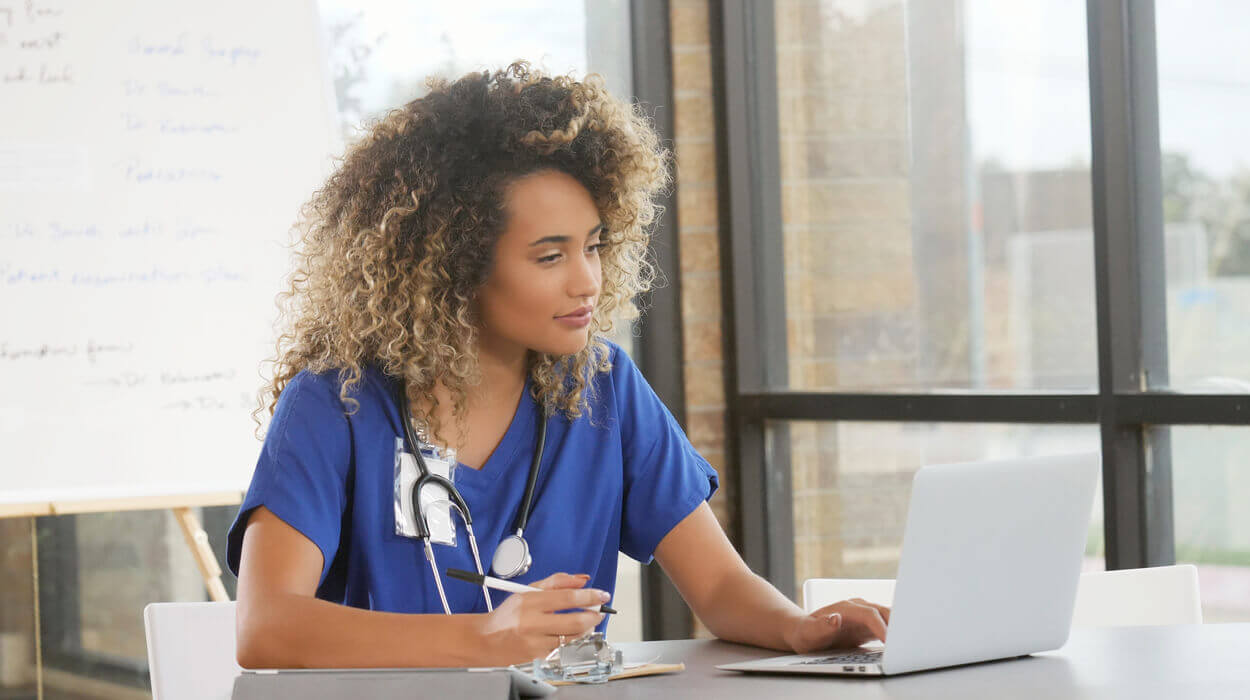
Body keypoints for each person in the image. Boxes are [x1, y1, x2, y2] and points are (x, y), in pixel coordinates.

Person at [228, 61, 889, 669]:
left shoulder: (603, 385)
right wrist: (486, 640)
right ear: (454, 267)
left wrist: (799, 628)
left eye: (595, 247)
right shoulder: (336, 403)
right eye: (550, 256)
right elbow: (265, 627)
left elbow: (717, 585)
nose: (588, 282)